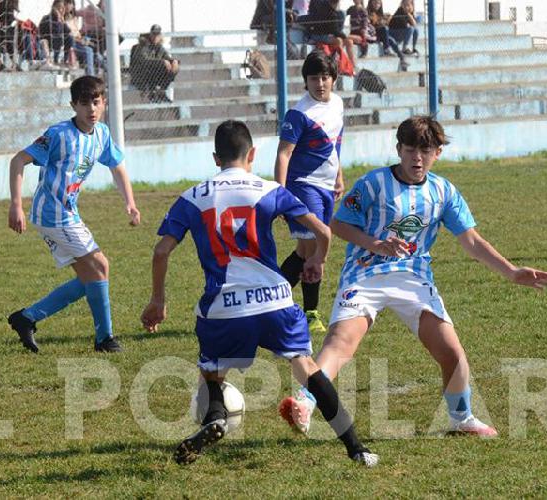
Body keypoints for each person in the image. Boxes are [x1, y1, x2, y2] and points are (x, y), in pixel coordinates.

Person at [278, 115, 547, 437]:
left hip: (413, 280)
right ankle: (305, 402)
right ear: (399, 149)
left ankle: (461, 419)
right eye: (410, 149)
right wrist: (375, 244)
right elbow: (339, 224)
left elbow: (472, 241)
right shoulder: (372, 184)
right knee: (341, 342)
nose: (417, 158)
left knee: (452, 352)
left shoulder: (443, 192)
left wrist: (511, 271)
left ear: (438, 152)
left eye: (426, 150)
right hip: (365, 275)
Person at [141, 119, 378, 468]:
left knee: (211, 374)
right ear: (252, 154)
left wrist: (158, 301)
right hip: (273, 302)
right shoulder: (269, 190)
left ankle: (215, 418)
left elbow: (161, 252)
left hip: (222, 307)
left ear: (215, 157)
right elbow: (323, 232)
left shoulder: (192, 197)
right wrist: (316, 260)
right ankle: (356, 448)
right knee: (306, 367)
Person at [6, 76, 142, 354]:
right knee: (100, 266)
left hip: (68, 213)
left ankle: (27, 318)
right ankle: (105, 339)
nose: (90, 109)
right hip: (53, 215)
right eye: (84, 104)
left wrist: (130, 202)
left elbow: (117, 166)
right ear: (73, 106)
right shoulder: (59, 134)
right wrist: (16, 204)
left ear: (104, 103)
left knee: (90, 278)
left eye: (95, 102)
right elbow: (18, 160)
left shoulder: (102, 134)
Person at [274, 52, 345, 334]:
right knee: (314, 246)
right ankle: (308, 312)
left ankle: (271, 302)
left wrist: (338, 175)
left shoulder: (338, 104)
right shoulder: (299, 113)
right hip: (302, 184)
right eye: (313, 78)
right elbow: (283, 154)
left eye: (325, 77)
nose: (319, 83)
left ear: (334, 79)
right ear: (305, 81)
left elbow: (336, 142)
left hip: (326, 186)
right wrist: (280, 195)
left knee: (306, 250)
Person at [129, 25, 180, 103]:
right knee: (163, 64)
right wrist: (163, 62)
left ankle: (161, 91)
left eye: (157, 35)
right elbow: (144, 61)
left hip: (153, 76)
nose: (155, 37)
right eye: (153, 34)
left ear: (160, 36)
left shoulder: (159, 47)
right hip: (141, 76)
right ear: (150, 34)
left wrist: (174, 61)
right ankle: (156, 93)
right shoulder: (143, 45)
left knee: (174, 67)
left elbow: (166, 57)